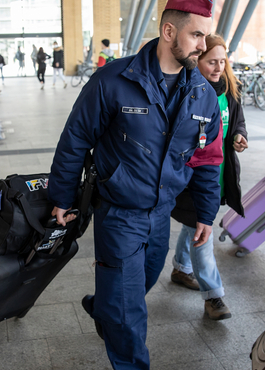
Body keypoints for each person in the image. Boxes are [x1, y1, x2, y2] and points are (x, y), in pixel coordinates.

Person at [48, 0, 222, 368]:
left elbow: (206, 159)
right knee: (129, 311)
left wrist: (206, 212)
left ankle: (103, 307)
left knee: (137, 284)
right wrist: (62, 197)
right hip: (118, 213)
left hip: (161, 214)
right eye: (196, 35)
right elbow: (75, 139)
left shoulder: (202, 93)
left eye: (205, 36)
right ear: (169, 32)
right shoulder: (114, 80)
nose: (203, 46)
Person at [169, 34, 247, 321]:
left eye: (222, 62)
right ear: (197, 60)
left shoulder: (229, 90)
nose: (217, 67)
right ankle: (213, 296)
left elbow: (237, 120)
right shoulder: (189, 92)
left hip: (220, 173)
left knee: (194, 226)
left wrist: (239, 135)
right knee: (202, 229)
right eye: (211, 61)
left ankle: (180, 268)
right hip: (194, 177)